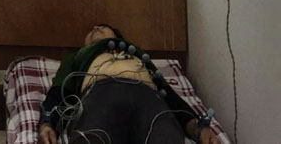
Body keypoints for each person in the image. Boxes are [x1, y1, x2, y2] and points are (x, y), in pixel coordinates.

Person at [37, 24, 221, 144]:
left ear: (117, 37)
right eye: (92, 29)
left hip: (149, 100)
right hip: (101, 96)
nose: (95, 27)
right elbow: (59, 92)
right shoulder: (77, 57)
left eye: (103, 27)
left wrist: (198, 128)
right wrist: (47, 124)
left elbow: (169, 96)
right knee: (91, 139)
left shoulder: (137, 55)